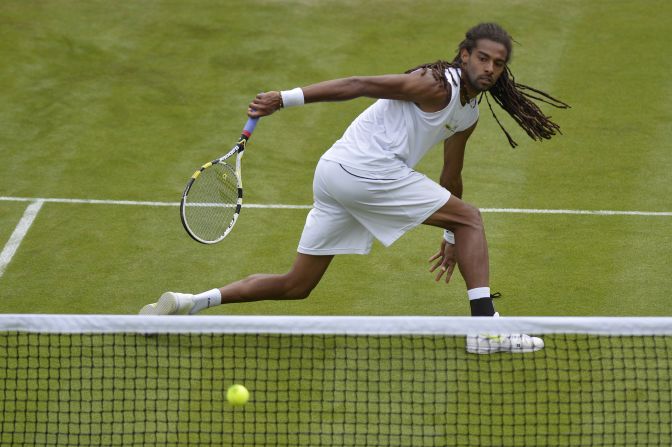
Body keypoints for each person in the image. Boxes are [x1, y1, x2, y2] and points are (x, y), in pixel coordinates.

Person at [140, 23, 568, 354]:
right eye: (482, 58)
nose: (489, 68)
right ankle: (484, 328)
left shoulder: (468, 113)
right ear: (464, 55)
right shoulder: (433, 84)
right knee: (471, 217)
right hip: (366, 171)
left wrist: (449, 231)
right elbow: (359, 84)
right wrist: (284, 98)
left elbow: (451, 177)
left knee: (297, 285)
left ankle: (188, 303)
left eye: (497, 63)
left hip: (336, 175)